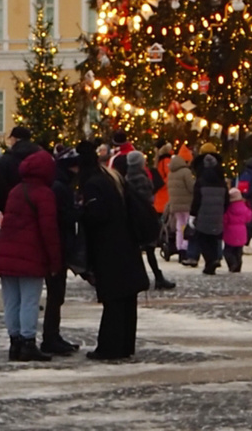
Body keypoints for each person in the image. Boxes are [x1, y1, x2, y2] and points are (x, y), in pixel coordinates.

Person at [77, 139, 149, 361]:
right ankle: (125, 345)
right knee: (126, 299)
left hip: (109, 247)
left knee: (114, 299)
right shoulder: (112, 177)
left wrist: (80, 213)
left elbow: (97, 215)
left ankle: (110, 347)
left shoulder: (93, 183)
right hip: (126, 243)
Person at [0, 149, 62, 362]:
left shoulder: (15, 191)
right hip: (31, 254)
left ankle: (15, 342)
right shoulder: (44, 193)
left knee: (11, 300)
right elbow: (49, 230)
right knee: (30, 300)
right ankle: (28, 342)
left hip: (6, 252)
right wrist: (54, 260)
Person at [42, 147, 82, 356]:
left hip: (59, 244)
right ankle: (50, 337)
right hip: (58, 245)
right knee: (55, 294)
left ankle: (53, 335)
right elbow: (62, 217)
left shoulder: (60, 184)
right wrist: (78, 211)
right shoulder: (60, 187)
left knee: (57, 295)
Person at [124, 150, 175, 290]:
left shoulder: (127, 176)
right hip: (144, 216)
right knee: (150, 248)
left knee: (139, 249)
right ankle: (158, 277)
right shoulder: (141, 177)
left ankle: (139, 277)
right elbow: (146, 197)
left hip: (134, 216)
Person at [190, 153, 228, 275]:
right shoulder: (221, 182)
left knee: (202, 238)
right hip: (218, 214)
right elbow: (226, 200)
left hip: (203, 213)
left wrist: (193, 214)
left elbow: (196, 200)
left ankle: (210, 261)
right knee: (213, 238)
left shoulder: (201, 181)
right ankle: (213, 259)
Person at [0, 125, 41, 200]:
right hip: (36, 200)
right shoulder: (40, 156)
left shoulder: (4, 160)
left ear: (14, 139)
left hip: (12, 201)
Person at [166, 152, 196, 265]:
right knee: (188, 227)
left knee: (179, 226)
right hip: (187, 204)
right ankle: (185, 248)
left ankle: (179, 248)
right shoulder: (186, 172)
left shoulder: (171, 173)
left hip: (175, 204)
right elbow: (191, 187)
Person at [222, 188, 252, 273]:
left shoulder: (228, 208)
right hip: (242, 231)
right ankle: (238, 266)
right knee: (238, 251)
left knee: (228, 251)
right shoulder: (244, 206)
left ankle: (232, 264)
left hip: (230, 231)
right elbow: (249, 217)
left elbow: (225, 219)